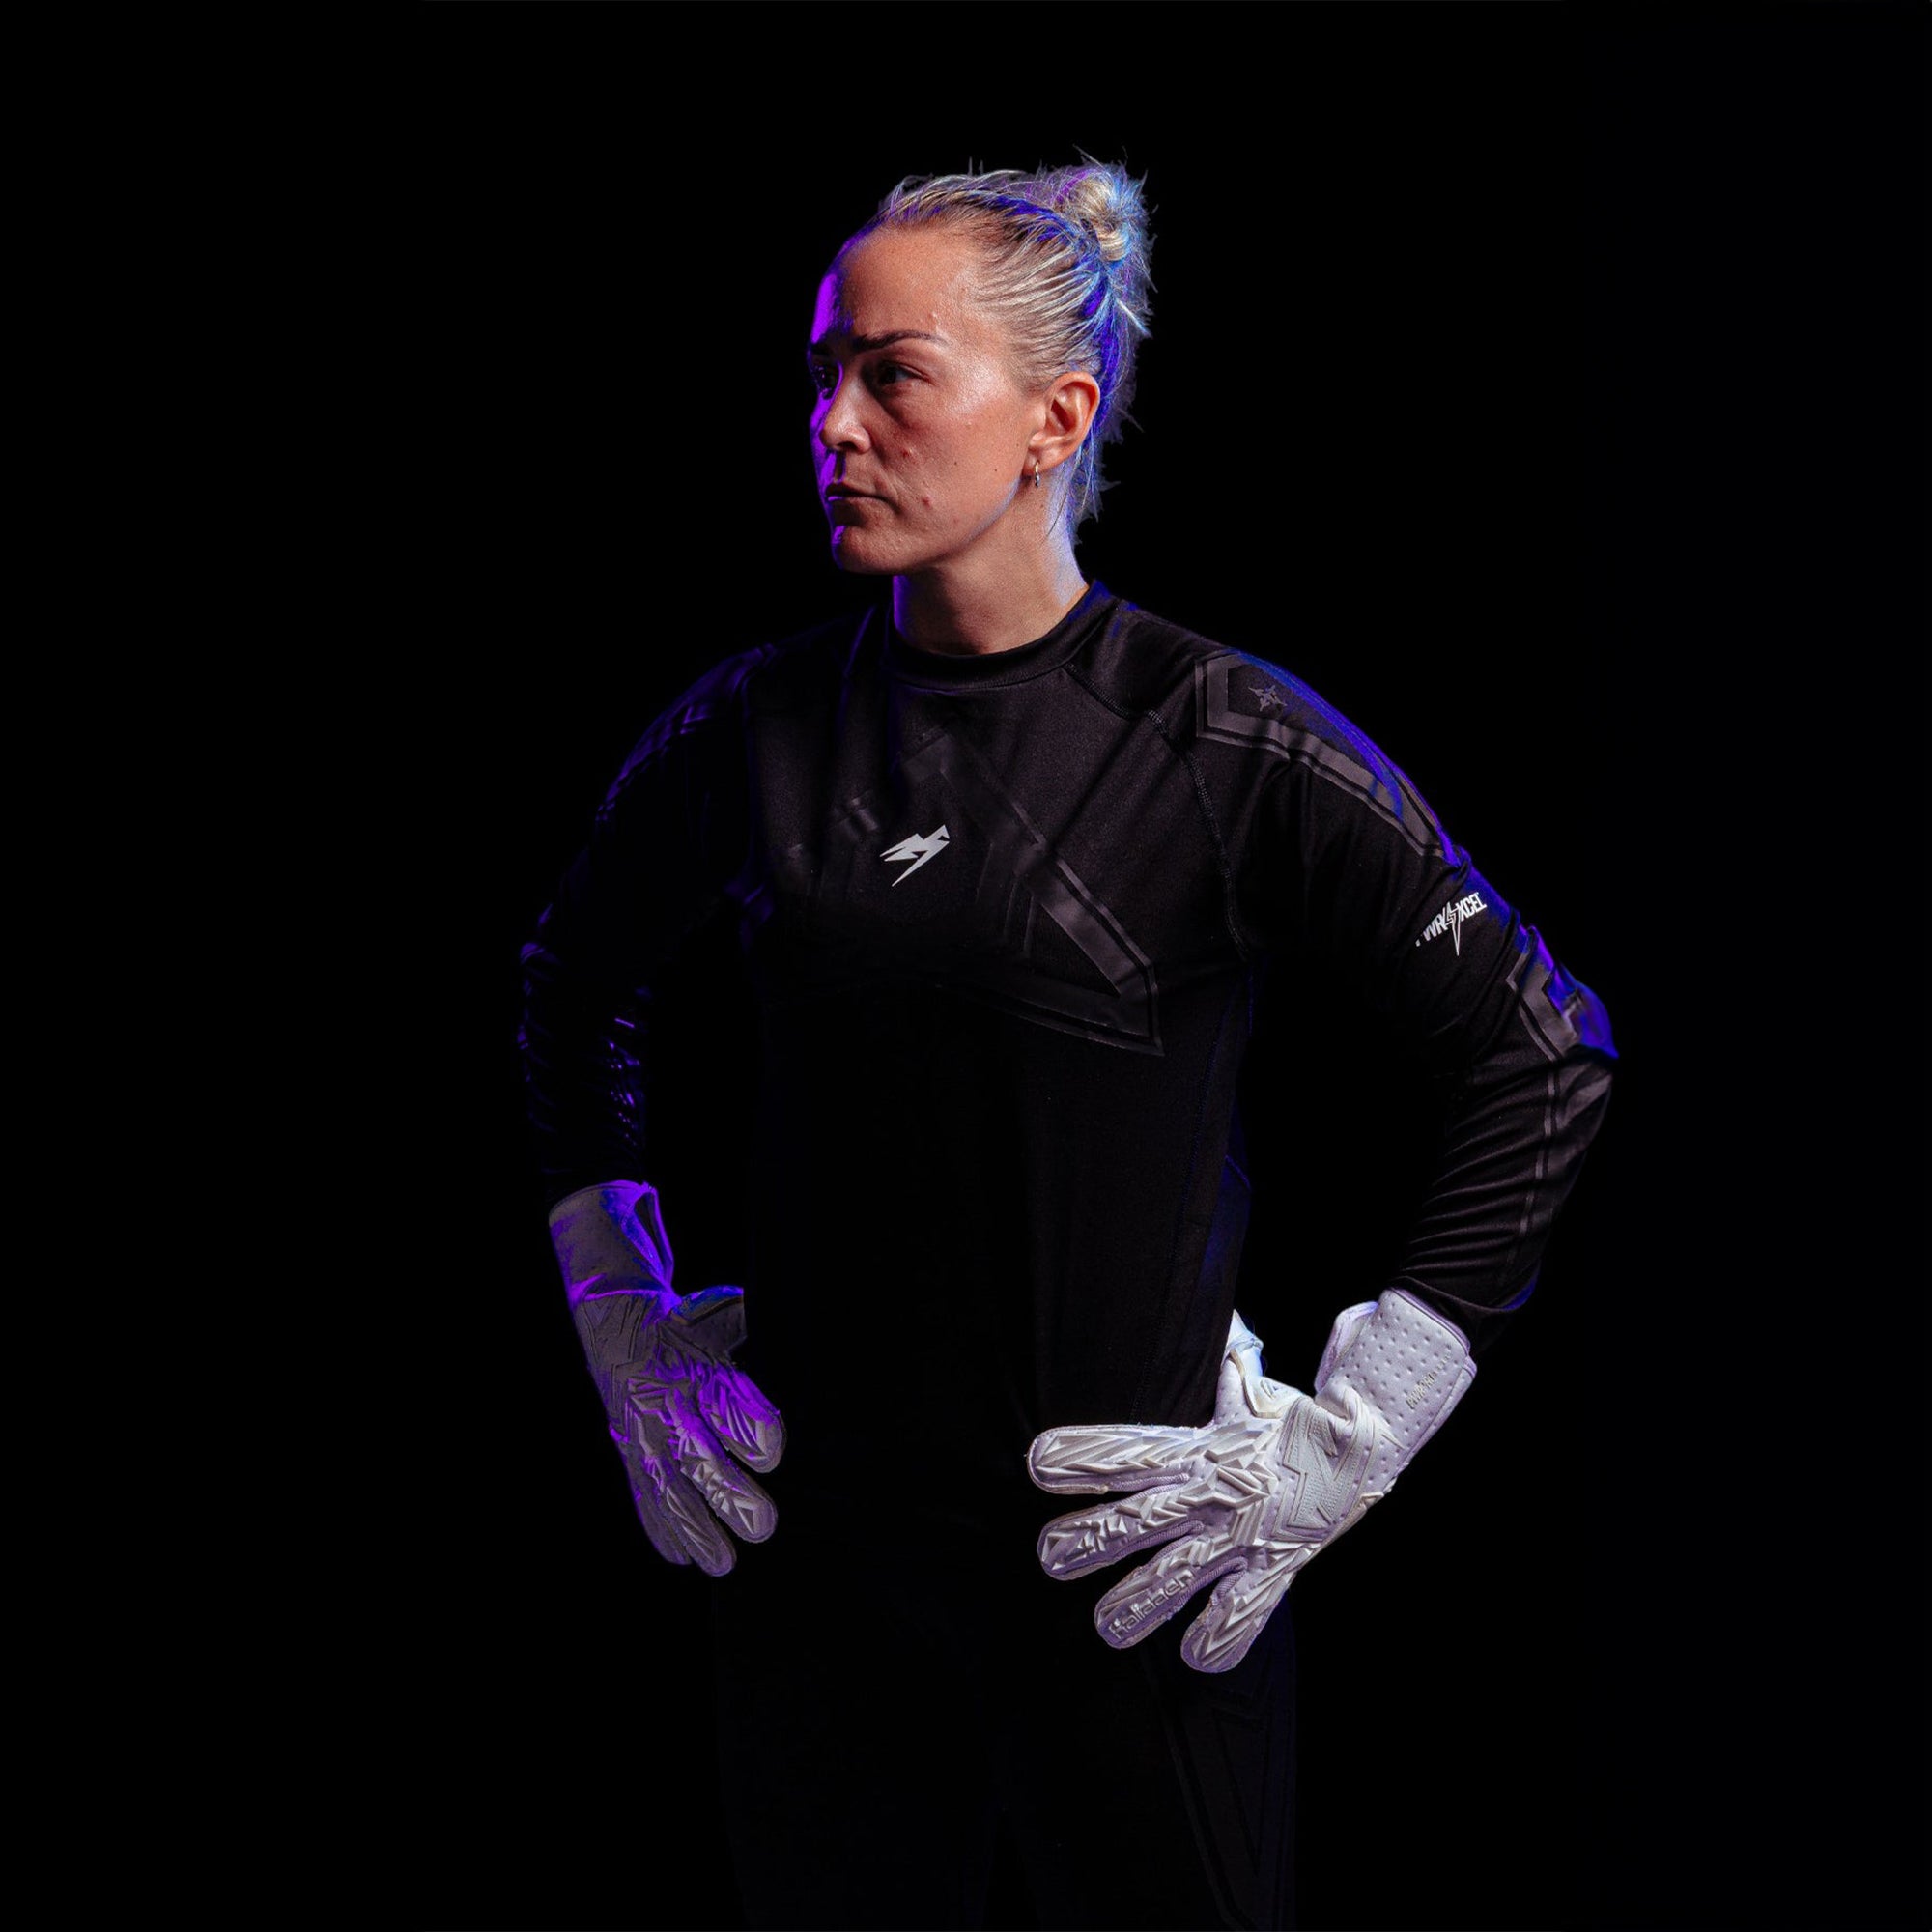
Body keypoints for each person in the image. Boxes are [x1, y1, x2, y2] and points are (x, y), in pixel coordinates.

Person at [520, 161, 1615, 1932]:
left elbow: (1540, 1052)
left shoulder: (1220, 735)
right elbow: (572, 990)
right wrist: (619, 1320)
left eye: (893, 374)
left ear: (1056, 420)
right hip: (816, 1573)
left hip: (1128, 1571)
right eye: (823, 376)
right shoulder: (758, 729)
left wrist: (1360, 1430)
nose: (834, 426)